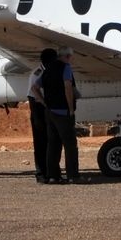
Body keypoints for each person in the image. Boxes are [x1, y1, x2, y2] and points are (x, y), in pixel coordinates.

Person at [38, 47, 78, 184]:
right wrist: (71, 108)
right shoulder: (65, 68)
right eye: (71, 57)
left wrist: (44, 102)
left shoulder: (47, 69)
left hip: (50, 112)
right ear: (67, 56)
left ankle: (53, 176)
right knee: (70, 145)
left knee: (53, 145)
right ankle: (72, 176)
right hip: (63, 111)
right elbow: (68, 86)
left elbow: (34, 88)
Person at [26, 57, 51, 183]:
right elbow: (32, 96)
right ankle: (41, 173)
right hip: (39, 110)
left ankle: (49, 172)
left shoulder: (45, 71)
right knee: (40, 144)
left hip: (44, 109)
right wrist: (37, 118)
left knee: (49, 143)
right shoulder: (37, 74)